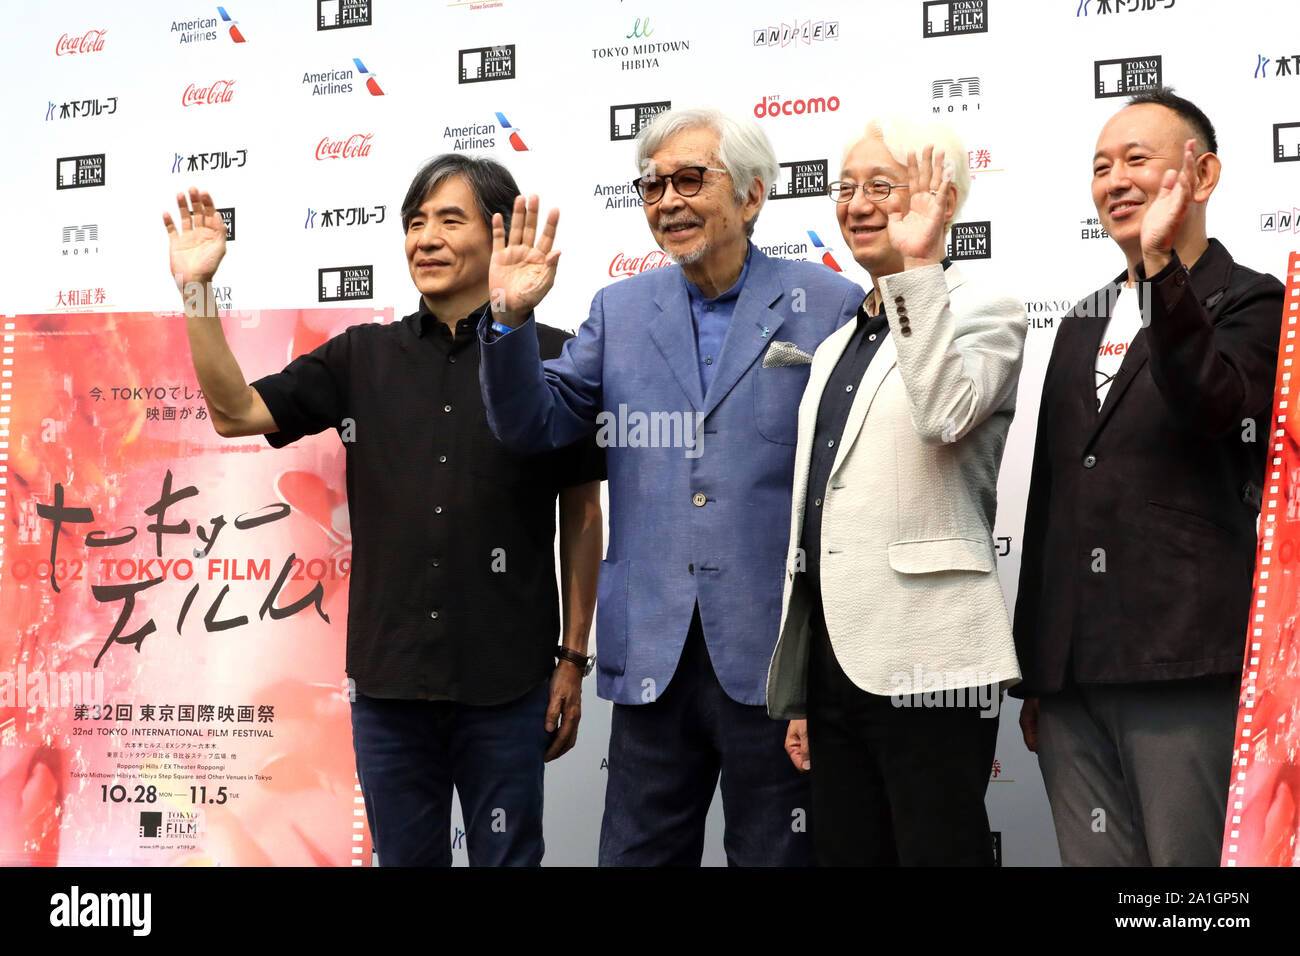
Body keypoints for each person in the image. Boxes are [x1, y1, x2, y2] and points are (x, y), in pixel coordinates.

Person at [161, 154, 604, 867]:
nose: (424, 238)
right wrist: (196, 292)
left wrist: (573, 659)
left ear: (499, 234)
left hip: (509, 681)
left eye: (448, 220)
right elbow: (235, 411)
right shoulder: (361, 358)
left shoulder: (558, 357)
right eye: (414, 223)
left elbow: (583, 516)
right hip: (391, 685)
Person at [477, 107, 865, 865]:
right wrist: (510, 322)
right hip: (652, 651)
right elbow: (535, 427)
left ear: (752, 197)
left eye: (691, 179)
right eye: (652, 186)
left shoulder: (828, 305)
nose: (667, 200)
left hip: (778, 659)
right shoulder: (619, 311)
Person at [1013, 87, 1285, 866]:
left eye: (1138, 160)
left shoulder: (1256, 301)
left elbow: (1214, 404)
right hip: (1072, 676)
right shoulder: (1081, 320)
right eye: (1102, 166)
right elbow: (1051, 500)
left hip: (1184, 659)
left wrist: (1165, 270)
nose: (1115, 180)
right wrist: (1040, 669)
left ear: (1201, 177)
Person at [766, 118, 1025, 866]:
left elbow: (944, 413)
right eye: (845, 188)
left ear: (941, 199)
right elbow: (820, 517)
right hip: (837, 668)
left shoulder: (985, 306)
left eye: (881, 186)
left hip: (932, 661)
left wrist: (919, 268)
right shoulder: (836, 343)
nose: (856, 203)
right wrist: (804, 686)